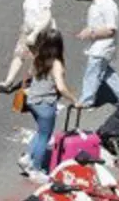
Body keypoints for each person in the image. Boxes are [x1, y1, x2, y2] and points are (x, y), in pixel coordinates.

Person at [19, 29, 79, 183]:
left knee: (40, 132)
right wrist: (74, 100)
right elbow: (61, 87)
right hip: (45, 104)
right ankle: (36, 170)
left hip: (32, 100)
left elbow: (29, 74)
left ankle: (27, 158)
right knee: (44, 136)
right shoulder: (56, 63)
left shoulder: (38, 57)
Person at [0, 0, 53, 92]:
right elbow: (29, 10)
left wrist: (35, 33)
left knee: (38, 60)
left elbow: (46, 16)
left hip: (40, 33)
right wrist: (25, 25)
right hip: (27, 30)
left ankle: (36, 84)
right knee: (19, 54)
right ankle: (8, 82)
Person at [76, 0, 119, 108]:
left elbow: (111, 30)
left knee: (92, 73)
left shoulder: (107, 5)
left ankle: (86, 101)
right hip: (98, 45)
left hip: (102, 47)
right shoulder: (98, 2)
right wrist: (88, 30)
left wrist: (91, 33)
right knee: (105, 71)